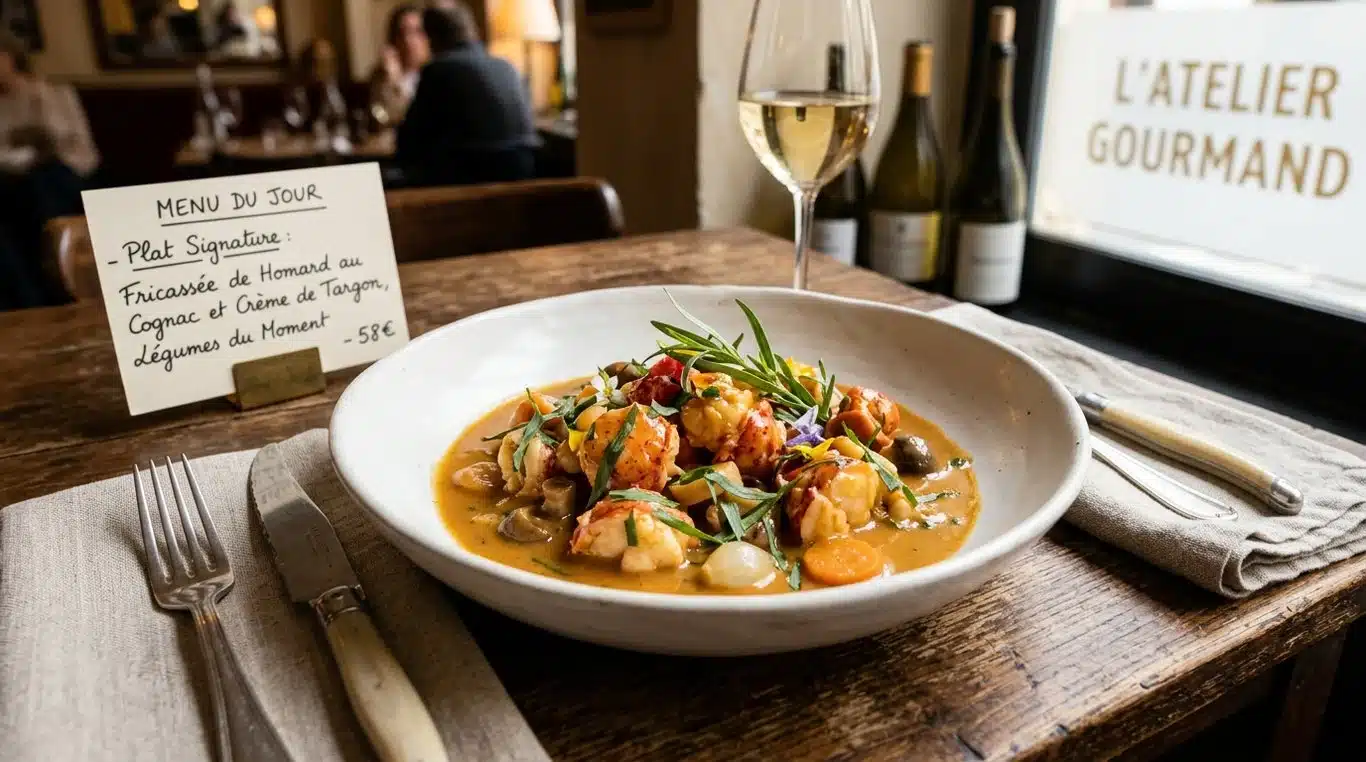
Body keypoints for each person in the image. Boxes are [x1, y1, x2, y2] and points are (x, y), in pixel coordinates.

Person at [0, 31, 97, 309]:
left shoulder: (51, 93)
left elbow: (71, 145)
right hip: (13, 179)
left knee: (39, 188)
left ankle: (55, 290)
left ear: (11, 56)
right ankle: (25, 297)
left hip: (65, 175)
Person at [396, 3, 538, 186]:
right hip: (523, 182)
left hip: (469, 186)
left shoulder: (439, 70)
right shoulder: (507, 66)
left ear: (432, 37)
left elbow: (408, 145)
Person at [369, 4, 430, 125]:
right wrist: (390, 79)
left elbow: (419, 120)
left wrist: (397, 85)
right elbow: (382, 119)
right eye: (402, 33)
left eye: (416, 31)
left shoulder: (437, 74)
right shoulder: (382, 75)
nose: (408, 40)